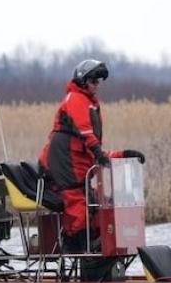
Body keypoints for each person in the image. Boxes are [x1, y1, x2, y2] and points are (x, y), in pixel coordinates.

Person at [38, 59, 145, 253]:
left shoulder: (89, 104)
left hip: (78, 166)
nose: (97, 86)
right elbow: (86, 134)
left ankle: (95, 256)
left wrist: (124, 155)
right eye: (94, 81)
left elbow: (96, 150)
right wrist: (97, 152)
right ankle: (78, 252)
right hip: (64, 164)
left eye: (98, 82)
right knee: (78, 209)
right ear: (82, 80)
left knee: (95, 209)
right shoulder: (76, 99)